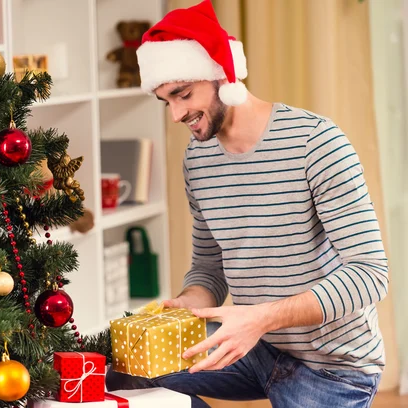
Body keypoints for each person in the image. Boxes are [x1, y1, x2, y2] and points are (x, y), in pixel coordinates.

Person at [105, 1, 389, 407]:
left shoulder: (316, 143)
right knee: (119, 372)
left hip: (331, 366)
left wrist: (260, 318)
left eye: (182, 95)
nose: (176, 114)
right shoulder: (198, 159)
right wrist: (190, 303)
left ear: (222, 74)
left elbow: (369, 275)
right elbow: (209, 266)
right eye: (166, 101)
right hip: (253, 346)